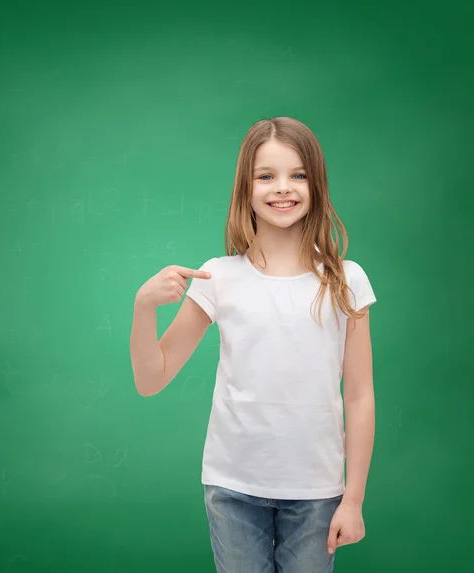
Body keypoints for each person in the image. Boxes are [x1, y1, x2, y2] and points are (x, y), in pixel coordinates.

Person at [130, 116, 377, 573]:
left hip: (317, 492)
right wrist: (144, 307)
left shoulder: (346, 279)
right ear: (246, 188)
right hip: (232, 488)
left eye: (298, 175)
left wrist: (354, 498)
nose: (282, 188)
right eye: (266, 176)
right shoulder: (218, 277)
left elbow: (360, 395)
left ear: (316, 184)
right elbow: (151, 378)